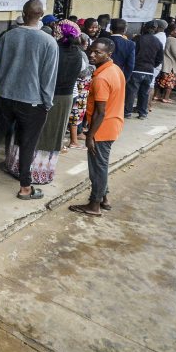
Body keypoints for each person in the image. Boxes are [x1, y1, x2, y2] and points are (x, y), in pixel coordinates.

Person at [0, 0, 58, 200]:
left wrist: (4, 85)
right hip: (33, 101)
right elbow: (49, 77)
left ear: (23, 12)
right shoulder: (49, 42)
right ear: (41, 15)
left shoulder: (8, 36)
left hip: (5, 96)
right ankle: (25, 187)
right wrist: (47, 102)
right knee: (28, 143)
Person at [6, 20, 84, 183]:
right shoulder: (78, 54)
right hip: (65, 99)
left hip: (43, 96)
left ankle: (22, 169)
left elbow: (42, 75)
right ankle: (43, 173)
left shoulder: (52, 49)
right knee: (53, 134)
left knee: (31, 133)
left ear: (59, 32)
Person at [68, 37, 126, 218]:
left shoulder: (102, 78)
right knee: (101, 165)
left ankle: (94, 205)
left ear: (108, 54)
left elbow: (100, 112)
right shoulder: (115, 69)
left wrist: (90, 135)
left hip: (102, 128)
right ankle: (104, 199)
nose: (92, 55)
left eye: (97, 52)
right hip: (113, 124)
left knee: (98, 168)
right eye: (91, 51)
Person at [125, 21, 163, 119]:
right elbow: (159, 58)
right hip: (149, 70)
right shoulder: (157, 41)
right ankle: (142, 113)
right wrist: (152, 65)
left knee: (131, 92)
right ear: (155, 29)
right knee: (144, 93)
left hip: (136, 69)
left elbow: (131, 53)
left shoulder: (137, 39)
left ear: (145, 28)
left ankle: (127, 112)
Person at [66, 33, 94, 150]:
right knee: (75, 113)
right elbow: (82, 73)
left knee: (75, 113)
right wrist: (92, 68)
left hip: (79, 87)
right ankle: (73, 141)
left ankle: (75, 137)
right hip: (79, 87)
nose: (87, 43)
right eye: (85, 41)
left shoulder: (77, 53)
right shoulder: (79, 54)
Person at [153, 24, 176, 103]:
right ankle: (166, 97)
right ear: (171, 31)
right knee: (170, 82)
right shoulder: (174, 40)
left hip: (165, 64)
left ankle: (156, 95)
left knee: (160, 81)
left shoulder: (166, 38)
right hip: (171, 65)